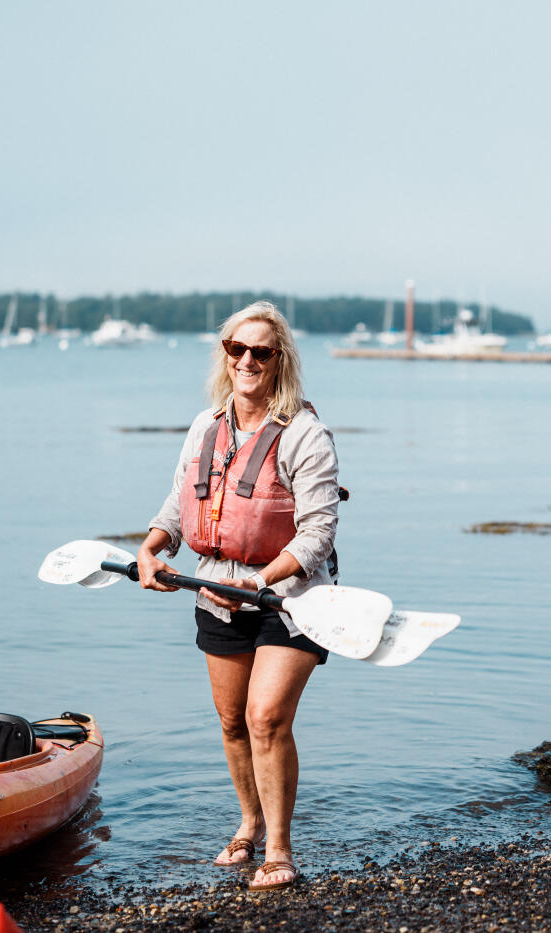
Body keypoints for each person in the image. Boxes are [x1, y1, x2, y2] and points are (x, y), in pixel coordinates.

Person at [137, 300, 340, 892]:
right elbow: (178, 506)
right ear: (225, 356)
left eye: (262, 352)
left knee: (266, 717)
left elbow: (319, 532)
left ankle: (279, 846)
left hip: (290, 599)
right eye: (237, 349)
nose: (247, 360)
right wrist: (151, 549)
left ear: (280, 362)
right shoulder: (206, 426)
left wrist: (258, 581)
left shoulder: (306, 433)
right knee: (232, 723)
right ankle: (248, 822)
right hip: (212, 590)